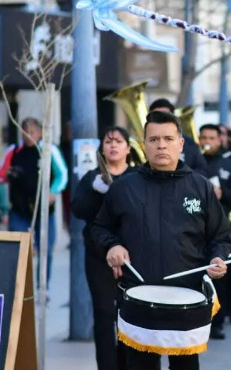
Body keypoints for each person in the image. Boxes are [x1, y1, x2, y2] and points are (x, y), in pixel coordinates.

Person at [91, 111, 231, 370]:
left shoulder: (201, 187)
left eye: (168, 138)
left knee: (185, 366)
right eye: (154, 139)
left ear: (181, 143)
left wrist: (218, 258)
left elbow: (221, 236)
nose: (161, 145)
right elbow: (99, 227)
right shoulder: (124, 187)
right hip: (138, 298)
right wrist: (112, 245)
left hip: (187, 299)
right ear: (144, 144)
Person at [71, 126, 135, 370]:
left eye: (118, 141)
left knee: (129, 313)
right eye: (108, 142)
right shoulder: (91, 178)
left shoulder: (137, 176)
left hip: (132, 257)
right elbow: (79, 210)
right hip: (98, 256)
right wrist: (95, 192)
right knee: (104, 312)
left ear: (128, 148)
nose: (113, 146)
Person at [0, 117, 68, 283]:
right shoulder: (14, 151)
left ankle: (43, 286)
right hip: (19, 211)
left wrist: (53, 192)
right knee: (19, 250)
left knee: (45, 250)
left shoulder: (49, 150)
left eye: (32, 132)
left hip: (44, 211)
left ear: (40, 133)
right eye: (25, 132)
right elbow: (1, 176)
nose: (28, 135)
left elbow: (62, 175)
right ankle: (20, 285)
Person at [199, 124, 231, 338]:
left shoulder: (228, 164)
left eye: (211, 137)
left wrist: (222, 193)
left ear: (219, 140)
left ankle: (218, 323)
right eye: (203, 137)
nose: (207, 141)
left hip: (221, 226)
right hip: (197, 228)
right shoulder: (194, 164)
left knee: (220, 276)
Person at [148, 98, 208, 176]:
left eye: (166, 115)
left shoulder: (190, 143)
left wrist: (182, 178)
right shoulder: (144, 143)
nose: (161, 119)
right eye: (157, 116)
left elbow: (202, 169)